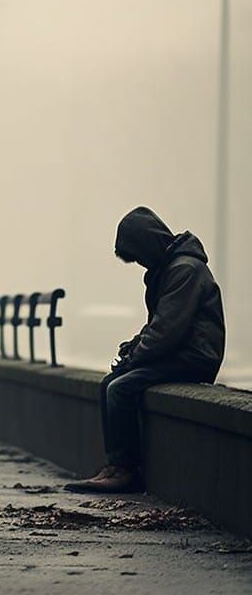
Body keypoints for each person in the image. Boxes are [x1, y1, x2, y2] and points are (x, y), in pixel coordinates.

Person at [65, 206, 225, 493]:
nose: (139, 263)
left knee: (120, 388)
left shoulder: (185, 270)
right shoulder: (169, 269)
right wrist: (134, 346)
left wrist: (133, 360)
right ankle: (115, 465)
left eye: (138, 255)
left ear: (148, 244)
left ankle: (126, 469)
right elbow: (159, 324)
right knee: (109, 384)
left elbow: (166, 332)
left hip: (194, 357)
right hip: (178, 352)